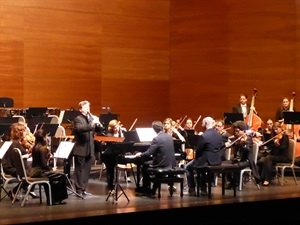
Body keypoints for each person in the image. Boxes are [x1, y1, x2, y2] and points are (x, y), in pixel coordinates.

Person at [134, 120, 176, 198]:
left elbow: (149, 153)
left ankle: (146, 188)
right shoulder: (169, 137)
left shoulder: (156, 139)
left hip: (162, 163)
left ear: (154, 130)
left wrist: (140, 154)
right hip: (171, 163)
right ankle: (153, 189)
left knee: (145, 164)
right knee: (149, 163)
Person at [185, 117, 223, 196]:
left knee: (188, 167)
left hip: (206, 161)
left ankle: (191, 190)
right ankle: (203, 189)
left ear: (205, 124)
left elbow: (198, 150)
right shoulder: (219, 135)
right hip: (217, 161)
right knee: (200, 167)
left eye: (202, 123)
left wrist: (196, 157)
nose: (201, 125)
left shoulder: (204, 136)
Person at [30, 129, 68, 205]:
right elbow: (44, 165)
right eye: (46, 136)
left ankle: (52, 199)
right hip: (39, 172)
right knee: (62, 176)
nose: (47, 138)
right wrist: (51, 169)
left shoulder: (35, 147)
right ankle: (57, 199)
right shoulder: (42, 149)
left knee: (53, 178)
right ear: (44, 138)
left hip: (34, 171)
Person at [72, 100, 102, 198]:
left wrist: (98, 124)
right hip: (80, 148)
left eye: (89, 107)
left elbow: (99, 130)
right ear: (80, 110)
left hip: (90, 148)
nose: (88, 109)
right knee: (79, 170)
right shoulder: (78, 119)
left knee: (87, 170)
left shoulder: (90, 119)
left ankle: (84, 189)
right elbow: (80, 129)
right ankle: (79, 190)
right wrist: (92, 123)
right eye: (86, 107)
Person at [2, 122, 37, 201]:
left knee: (32, 170)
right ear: (20, 133)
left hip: (10, 166)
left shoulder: (14, 143)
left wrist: (27, 154)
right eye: (25, 131)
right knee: (35, 173)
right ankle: (18, 190)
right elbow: (16, 159)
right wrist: (26, 155)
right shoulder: (15, 144)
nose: (26, 133)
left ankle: (25, 189)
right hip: (12, 168)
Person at [225, 120, 260, 189]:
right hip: (237, 159)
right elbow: (232, 144)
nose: (236, 133)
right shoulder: (237, 139)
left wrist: (244, 144)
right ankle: (232, 182)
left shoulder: (249, 139)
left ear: (244, 131)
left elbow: (247, 151)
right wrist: (229, 144)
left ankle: (236, 182)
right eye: (235, 131)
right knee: (224, 164)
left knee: (235, 166)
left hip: (246, 160)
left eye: (238, 131)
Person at [101, 119, 132, 188]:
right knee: (111, 167)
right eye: (114, 127)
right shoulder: (109, 134)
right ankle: (111, 183)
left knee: (129, 157)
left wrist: (124, 133)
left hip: (120, 154)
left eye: (116, 126)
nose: (116, 128)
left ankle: (128, 176)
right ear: (111, 128)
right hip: (111, 155)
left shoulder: (122, 133)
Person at [257, 122, 289, 186]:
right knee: (261, 159)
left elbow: (283, 148)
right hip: (275, 156)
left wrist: (278, 145)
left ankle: (267, 179)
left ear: (281, 128)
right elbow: (271, 147)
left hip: (283, 157)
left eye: (277, 129)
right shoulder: (274, 137)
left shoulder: (285, 137)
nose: (275, 131)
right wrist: (261, 143)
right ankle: (261, 178)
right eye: (274, 129)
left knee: (268, 158)